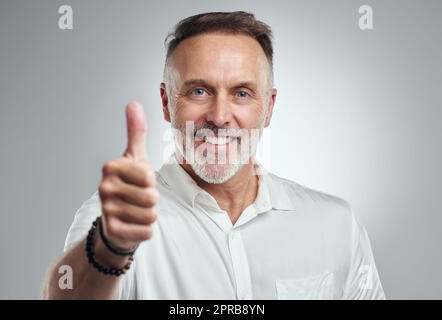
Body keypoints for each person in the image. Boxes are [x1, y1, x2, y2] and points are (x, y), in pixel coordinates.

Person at [43, 11, 385, 299]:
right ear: (166, 102)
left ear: (269, 108)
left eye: (241, 93)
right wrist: (110, 247)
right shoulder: (117, 220)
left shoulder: (336, 224)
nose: (220, 116)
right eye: (199, 90)